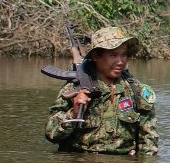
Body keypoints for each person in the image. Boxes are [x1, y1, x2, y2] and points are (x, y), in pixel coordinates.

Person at [45, 26, 159, 155]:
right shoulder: (74, 89)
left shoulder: (137, 92)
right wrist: (73, 113)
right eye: (113, 55)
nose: (120, 61)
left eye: (124, 55)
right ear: (95, 56)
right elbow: (51, 135)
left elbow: (149, 146)